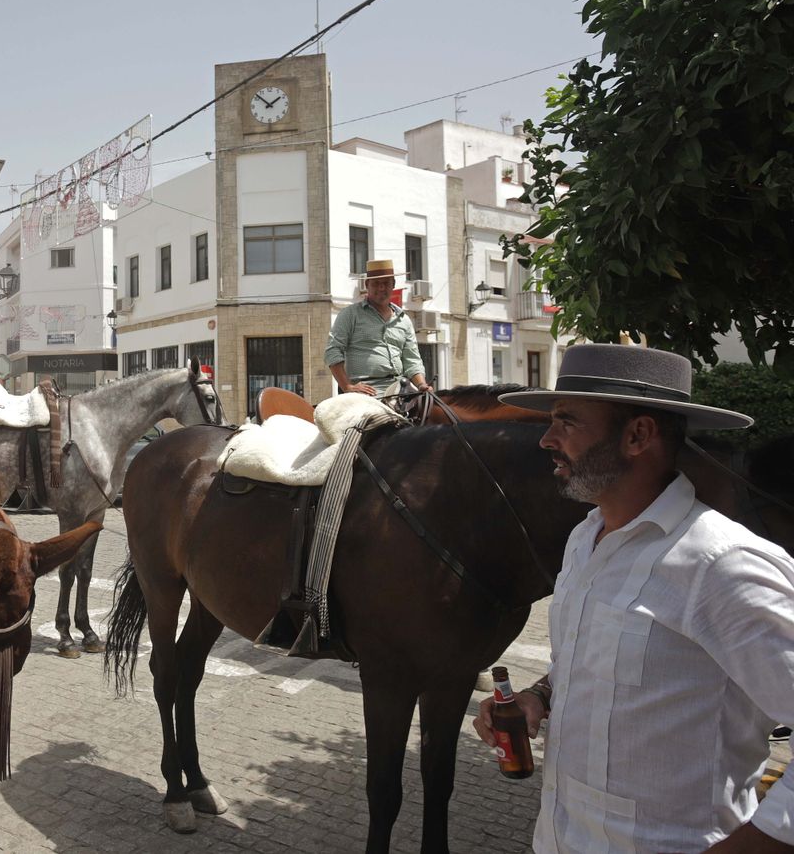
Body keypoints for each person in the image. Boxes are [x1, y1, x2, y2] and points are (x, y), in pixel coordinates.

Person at [473, 343, 794, 853]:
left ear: (638, 435)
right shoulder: (586, 538)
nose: (547, 440)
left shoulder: (720, 565)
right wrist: (539, 697)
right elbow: (591, 657)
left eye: (567, 422)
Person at [324, 258, 431, 397]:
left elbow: (412, 360)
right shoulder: (350, 315)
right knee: (376, 419)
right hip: (365, 391)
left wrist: (422, 385)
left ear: (393, 285)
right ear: (367, 285)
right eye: (376, 284)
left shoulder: (404, 320)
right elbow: (333, 351)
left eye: (386, 283)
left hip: (400, 390)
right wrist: (348, 386)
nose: (381, 288)